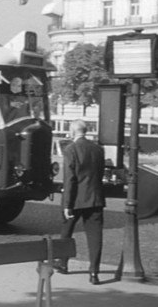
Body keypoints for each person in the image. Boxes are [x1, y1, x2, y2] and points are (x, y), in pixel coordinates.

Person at [54, 119, 105, 285]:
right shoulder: (98, 149)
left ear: (73, 131)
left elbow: (70, 179)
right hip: (95, 198)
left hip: (76, 199)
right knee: (95, 236)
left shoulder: (71, 149)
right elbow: (100, 172)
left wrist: (67, 204)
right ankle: (94, 272)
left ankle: (63, 264)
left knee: (66, 231)